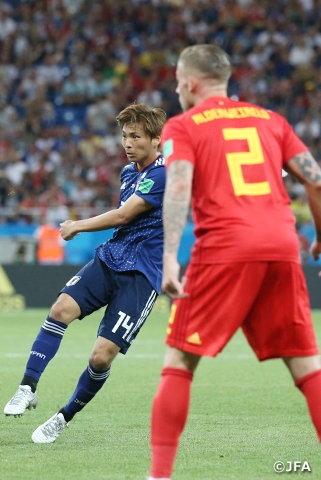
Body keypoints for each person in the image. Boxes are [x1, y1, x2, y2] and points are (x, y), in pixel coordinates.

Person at [149, 44, 321, 480]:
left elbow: (178, 190)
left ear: (190, 83)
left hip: (225, 249)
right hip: (283, 246)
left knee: (180, 361)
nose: (175, 88)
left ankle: (160, 475)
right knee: (306, 365)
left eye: (176, 80)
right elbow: (315, 181)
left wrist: (169, 256)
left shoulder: (182, 126)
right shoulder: (272, 121)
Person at [3, 103, 167, 443]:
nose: (127, 143)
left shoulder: (164, 174)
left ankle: (64, 416)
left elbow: (124, 216)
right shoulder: (128, 173)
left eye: (136, 136)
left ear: (156, 140)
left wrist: (77, 226)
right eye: (124, 136)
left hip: (142, 275)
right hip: (111, 259)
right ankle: (27, 387)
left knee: (101, 355)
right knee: (60, 309)